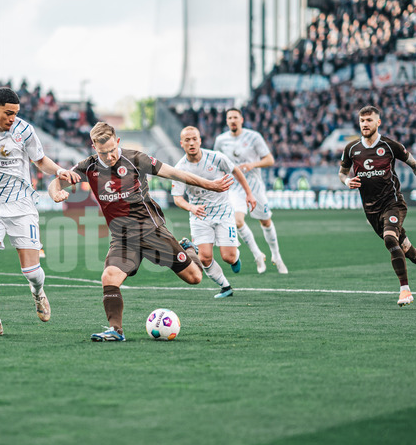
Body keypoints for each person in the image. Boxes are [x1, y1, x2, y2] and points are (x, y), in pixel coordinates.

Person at [48, 122, 234, 342]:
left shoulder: (136, 159)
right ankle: (116, 330)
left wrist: (211, 185)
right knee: (109, 276)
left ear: (118, 142)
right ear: (94, 147)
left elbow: (176, 173)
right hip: (122, 238)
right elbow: (57, 182)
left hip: (151, 231)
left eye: (111, 151)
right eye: (102, 153)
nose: (109, 157)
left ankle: (188, 249)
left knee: (194, 278)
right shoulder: (88, 167)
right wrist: (55, 193)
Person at [0, 87, 81, 338]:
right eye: (8, 113)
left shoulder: (24, 130)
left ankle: (38, 292)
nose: (13, 118)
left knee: (32, 272)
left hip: (22, 206)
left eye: (16, 113)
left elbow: (40, 160)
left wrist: (58, 171)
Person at [338, 106, 416, 306]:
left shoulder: (390, 146)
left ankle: (405, 291)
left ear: (378, 122)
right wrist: (347, 182)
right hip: (371, 211)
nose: (365, 124)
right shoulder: (351, 149)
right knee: (408, 251)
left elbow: (415, 164)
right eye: (362, 121)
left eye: (369, 120)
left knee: (390, 239)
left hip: (393, 203)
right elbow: (342, 173)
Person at [171, 126, 257, 299]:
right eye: (187, 140)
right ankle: (225, 287)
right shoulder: (179, 168)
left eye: (194, 139)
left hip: (223, 213)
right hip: (199, 217)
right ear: (182, 144)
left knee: (228, 257)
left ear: (200, 140)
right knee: (204, 258)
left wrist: (249, 193)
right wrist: (191, 208)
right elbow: (177, 198)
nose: (191, 143)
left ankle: (235, 258)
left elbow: (236, 171)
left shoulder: (216, 158)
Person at [214, 108, 288, 274]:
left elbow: (270, 160)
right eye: (229, 118)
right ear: (226, 121)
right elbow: (217, 163)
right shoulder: (220, 140)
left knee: (265, 221)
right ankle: (257, 255)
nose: (232, 120)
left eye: (235, 117)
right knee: (237, 220)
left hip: (255, 186)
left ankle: (276, 256)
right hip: (234, 188)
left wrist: (252, 165)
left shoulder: (253, 137)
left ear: (241, 119)